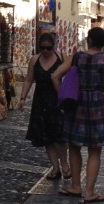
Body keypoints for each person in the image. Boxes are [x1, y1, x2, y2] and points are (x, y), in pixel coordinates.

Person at [51, 26, 104, 203]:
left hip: (77, 103)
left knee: (74, 145)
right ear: (103, 43)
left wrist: (63, 96)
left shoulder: (76, 57)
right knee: (95, 150)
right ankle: (89, 192)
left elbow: (55, 76)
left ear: (90, 40)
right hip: (98, 102)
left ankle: (75, 186)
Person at [18, 32, 69, 180]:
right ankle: (55, 167)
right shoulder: (35, 60)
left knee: (60, 135)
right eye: (42, 48)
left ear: (54, 46)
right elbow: (28, 79)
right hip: (40, 101)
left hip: (58, 100)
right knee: (46, 136)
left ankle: (65, 164)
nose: (45, 51)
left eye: (49, 48)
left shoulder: (62, 57)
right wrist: (22, 98)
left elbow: (71, 77)